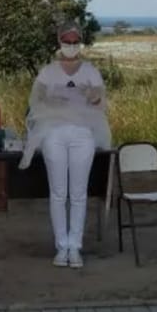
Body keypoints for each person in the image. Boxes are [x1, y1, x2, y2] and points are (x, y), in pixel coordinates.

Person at [19, 20, 113, 269]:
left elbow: (101, 101)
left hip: (83, 134)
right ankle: (62, 247)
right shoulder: (48, 71)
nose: (71, 46)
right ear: (59, 42)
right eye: (66, 41)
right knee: (58, 193)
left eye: (75, 41)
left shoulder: (90, 71)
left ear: (80, 42)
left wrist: (91, 95)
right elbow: (35, 102)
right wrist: (52, 101)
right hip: (53, 134)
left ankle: (76, 246)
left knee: (79, 194)